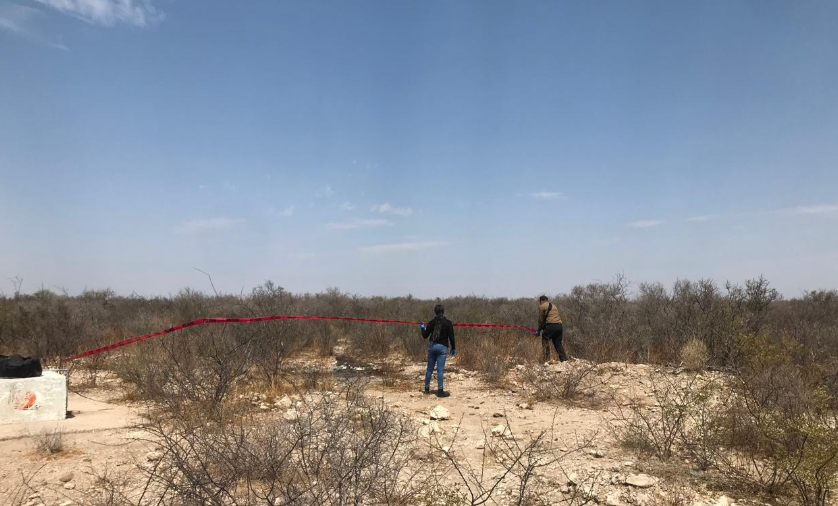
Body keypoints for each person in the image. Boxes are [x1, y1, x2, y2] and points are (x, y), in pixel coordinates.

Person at [420, 304, 456, 397]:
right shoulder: (448, 323)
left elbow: (425, 336)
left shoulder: (431, 322)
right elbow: (451, 337)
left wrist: (422, 327)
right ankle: (440, 391)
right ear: (443, 311)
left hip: (432, 347)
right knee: (440, 370)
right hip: (442, 348)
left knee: (429, 369)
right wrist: (453, 348)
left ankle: (426, 389)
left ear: (435, 312)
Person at [536, 295, 566, 362]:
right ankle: (564, 360)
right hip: (559, 326)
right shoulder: (553, 305)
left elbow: (541, 320)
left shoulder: (542, 306)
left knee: (545, 339)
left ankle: (546, 359)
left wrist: (538, 330)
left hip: (551, 325)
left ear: (541, 301)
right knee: (557, 343)